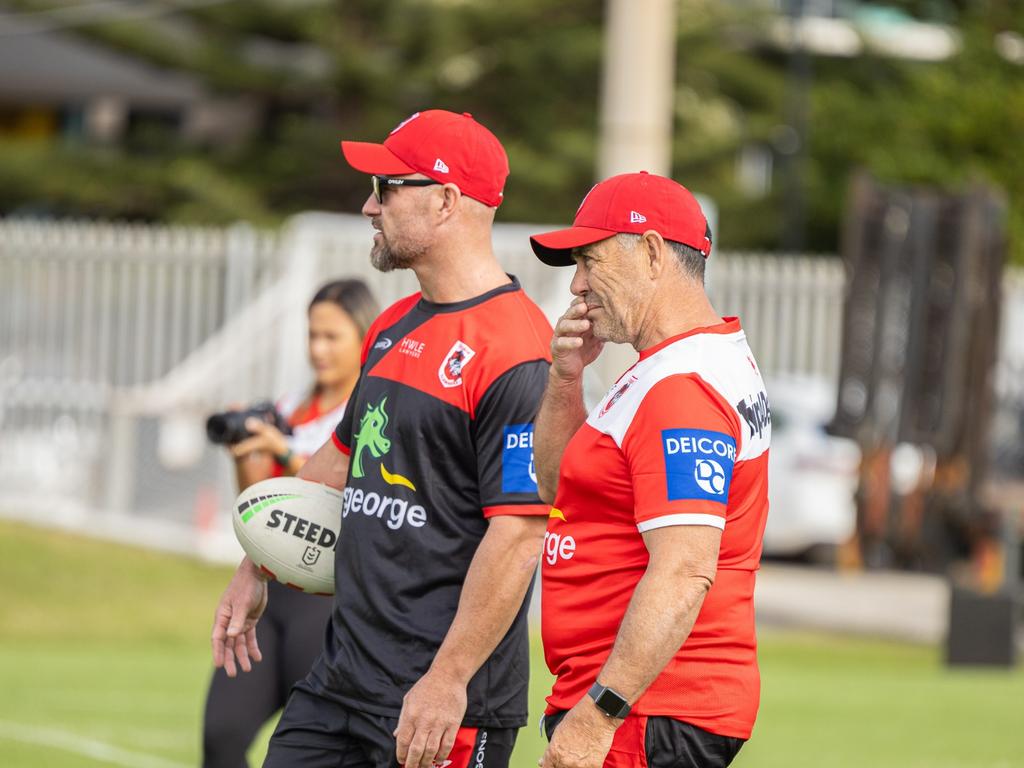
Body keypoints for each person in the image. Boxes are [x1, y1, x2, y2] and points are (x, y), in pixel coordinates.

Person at [210, 110, 553, 768]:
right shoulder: (393, 325)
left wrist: (447, 681)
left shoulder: (517, 352)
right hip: (340, 681)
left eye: (386, 188)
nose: (368, 206)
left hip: (440, 702)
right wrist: (256, 564)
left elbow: (517, 537)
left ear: (446, 201)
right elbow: (340, 458)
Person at [529, 171, 771, 768]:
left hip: (647, 715)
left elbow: (686, 571)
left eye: (589, 259)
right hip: (640, 709)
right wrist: (565, 378)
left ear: (654, 252)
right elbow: (558, 490)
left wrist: (597, 715)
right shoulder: (670, 366)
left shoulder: (680, 387)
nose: (577, 284)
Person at [203, 278, 379, 768]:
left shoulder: (374, 408)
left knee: (318, 752)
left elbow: (353, 484)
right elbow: (260, 508)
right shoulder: (289, 407)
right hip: (270, 592)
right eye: (311, 335)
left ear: (364, 338)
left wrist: (285, 449)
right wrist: (248, 452)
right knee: (222, 735)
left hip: (326, 601)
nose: (318, 349)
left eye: (331, 337)